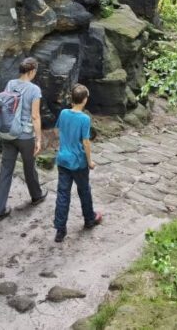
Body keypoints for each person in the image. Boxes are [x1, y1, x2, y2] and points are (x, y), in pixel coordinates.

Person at [0, 57, 47, 221]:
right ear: (32, 71)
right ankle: (36, 196)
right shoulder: (34, 89)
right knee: (29, 167)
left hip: (8, 133)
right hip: (25, 136)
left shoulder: (10, 84)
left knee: (6, 170)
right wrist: (38, 139)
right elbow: (35, 116)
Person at [53, 84, 103, 242]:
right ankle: (89, 219)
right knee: (84, 190)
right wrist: (90, 162)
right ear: (84, 100)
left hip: (63, 160)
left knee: (62, 194)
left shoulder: (63, 113)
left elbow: (57, 131)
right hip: (78, 162)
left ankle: (60, 230)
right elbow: (86, 142)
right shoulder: (84, 118)